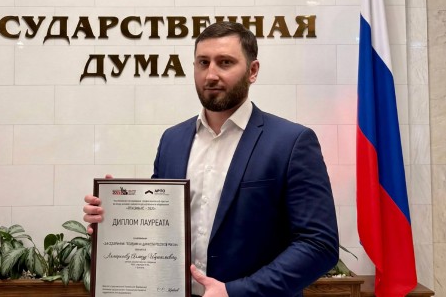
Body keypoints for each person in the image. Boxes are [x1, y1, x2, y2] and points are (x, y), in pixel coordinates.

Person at [84, 21, 339, 297]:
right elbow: (160, 225)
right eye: (203, 63)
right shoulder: (172, 141)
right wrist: (115, 220)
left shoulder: (291, 142)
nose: (211, 75)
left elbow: (318, 245)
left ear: (252, 71)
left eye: (225, 62)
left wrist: (235, 292)